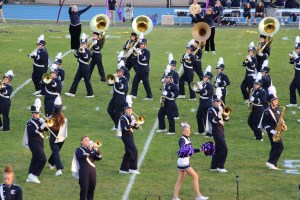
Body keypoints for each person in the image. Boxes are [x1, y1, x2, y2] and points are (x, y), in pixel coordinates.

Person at [172, 122, 209, 200]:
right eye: (186, 131)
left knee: (180, 179)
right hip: (183, 162)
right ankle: (198, 196)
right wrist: (184, 150)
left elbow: (190, 150)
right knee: (195, 176)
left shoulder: (187, 138)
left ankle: (175, 198)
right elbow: (182, 148)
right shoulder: (182, 139)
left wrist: (200, 149)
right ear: (182, 131)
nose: (187, 132)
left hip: (182, 161)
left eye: (188, 130)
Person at [260, 86, 285, 170]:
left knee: (275, 147)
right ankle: (271, 162)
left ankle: (273, 163)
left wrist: (282, 122)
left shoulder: (277, 109)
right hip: (272, 132)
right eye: (275, 100)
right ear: (271, 102)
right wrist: (272, 131)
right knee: (280, 147)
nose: (277, 102)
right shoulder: (267, 111)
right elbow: (264, 124)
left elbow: (279, 118)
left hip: (277, 130)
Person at [23, 99, 47, 184]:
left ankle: (30, 175)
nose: (38, 115)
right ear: (33, 114)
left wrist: (46, 124)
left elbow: (47, 129)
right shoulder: (30, 122)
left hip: (40, 142)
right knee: (43, 159)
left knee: (35, 158)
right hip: (33, 143)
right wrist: (41, 127)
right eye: (36, 113)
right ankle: (34, 175)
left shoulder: (39, 121)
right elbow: (32, 133)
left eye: (39, 113)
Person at [65, 33, 94, 98]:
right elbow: (75, 56)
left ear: (86, 44)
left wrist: (83, 52)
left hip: (85, 68)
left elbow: (86, 58)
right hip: (80, 67)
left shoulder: (88, 51)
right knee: (76, 79)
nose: (83, 45)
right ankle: (72, 92)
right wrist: (79, 51)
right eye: (82, 44)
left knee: (87, 81)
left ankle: (91, 94)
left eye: (84, 44)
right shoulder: (80, 49)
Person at [207, 88, 229, 173]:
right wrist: (219, 114)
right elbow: (213, 121)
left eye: (219, 101)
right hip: (216, 130)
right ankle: (220, 166)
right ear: (213, 102)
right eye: (216, 101)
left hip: (221, 130)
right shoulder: (210, 110)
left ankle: (213, 166)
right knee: (224, 149)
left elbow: (227, 119)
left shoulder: (221, 108)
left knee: (218, 148)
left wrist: (224, 113)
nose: (218, 103)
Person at [48, 96, 68, 176]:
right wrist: (47, 122)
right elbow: (50, 125)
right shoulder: (52, 114)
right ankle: (59, 169)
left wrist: (51, 123)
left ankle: (51, 161)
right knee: (56, 151)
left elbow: (60, 126)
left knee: (56, 151)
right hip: (53, 135)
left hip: (61, 135)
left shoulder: (62, 116)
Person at [118, 103, 140, 174]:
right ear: (125, 110)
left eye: (131, 109)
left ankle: (123, 169)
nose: (130, 111)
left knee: (128, 152)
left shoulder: (132, 117)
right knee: (134, 151)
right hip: (125, 136)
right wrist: (131, 124)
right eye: (128, 109)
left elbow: (136, 128)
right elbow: (124, 128)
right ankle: (132, 168)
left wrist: (136, 124)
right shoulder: (123, 118)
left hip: (130, 135)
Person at [194, 66, 214, 137]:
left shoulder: (210, 85)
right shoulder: (203, 84)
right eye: (204, 77)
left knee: (207, 118)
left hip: (207, 102)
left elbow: (207, 93)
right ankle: (201, 130)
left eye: (205, 77)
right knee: (198, 116)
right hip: (202, 101)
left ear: (208, 78)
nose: (203, 78)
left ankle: (209, 133)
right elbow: (199, 92)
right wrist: (197, 88)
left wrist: (201, 88)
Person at [248, 74, 267, 141]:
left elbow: (263, 101)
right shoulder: (253, 90)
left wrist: (254, 99)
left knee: (256, 123)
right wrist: (250, 102)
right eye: (255, 84)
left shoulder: (263, 92)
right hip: (253, 108)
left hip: (259, 109)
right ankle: (258, 133)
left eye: (256, 84)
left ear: (260, 85)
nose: (255, 85)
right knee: (250, 121)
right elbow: (251, 98)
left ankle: (259, 137)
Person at [286, 41, 300, 107]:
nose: (296, 49)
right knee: (292, 87)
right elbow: (292, 62)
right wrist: (292, 57)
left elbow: (298, 62)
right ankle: (293, 103)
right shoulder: (297, 54)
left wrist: (296, 56)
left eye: (298, 48)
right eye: (296, 48)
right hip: (297, 73)